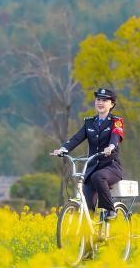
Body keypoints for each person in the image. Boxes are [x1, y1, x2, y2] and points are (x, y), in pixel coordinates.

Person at [53, 88, 125, 220]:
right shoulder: (89, 122)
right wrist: (63, 149)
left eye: (104, 100)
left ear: (112, 104)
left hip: (111, 167)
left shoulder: (116, 121)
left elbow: (116, 135)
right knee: (87, 203)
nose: (100, 102)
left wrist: (111, 146)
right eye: (98, 99)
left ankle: (110, 210)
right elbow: (77, 138)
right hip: (91, 169)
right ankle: (90, 238)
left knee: (98, 177)